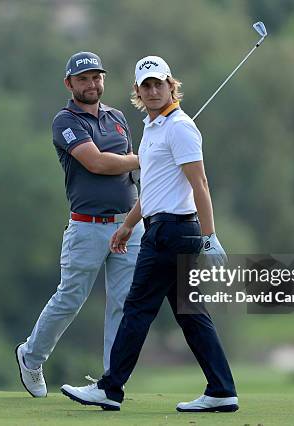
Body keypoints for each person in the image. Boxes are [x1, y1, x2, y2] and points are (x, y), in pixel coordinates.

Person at [60, 55, 238, 412]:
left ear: (172, 86)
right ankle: (221, 389)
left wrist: (210, 235)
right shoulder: (154, 129)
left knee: (137, 309)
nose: (154, 90)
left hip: (174, 233)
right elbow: (153, 190)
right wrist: (128, 225)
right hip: (160, 228)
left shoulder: (180, 127)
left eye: (159, 84)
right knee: (191, 314)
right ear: (137, 92)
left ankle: (110, 388)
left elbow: (199, 182)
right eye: (147, 86)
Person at [15, 51, 144, 397]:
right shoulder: (65, 121)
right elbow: (98, 163)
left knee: (124, 303)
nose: (92, 84)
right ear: (69, 83)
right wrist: (149, 156)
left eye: (97, 77)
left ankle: (110, 382)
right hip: (87, 226)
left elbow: (130, 172)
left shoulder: (117, 118)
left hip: (128, 226)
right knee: (70, 298)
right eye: (84, 78)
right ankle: (31, 357)